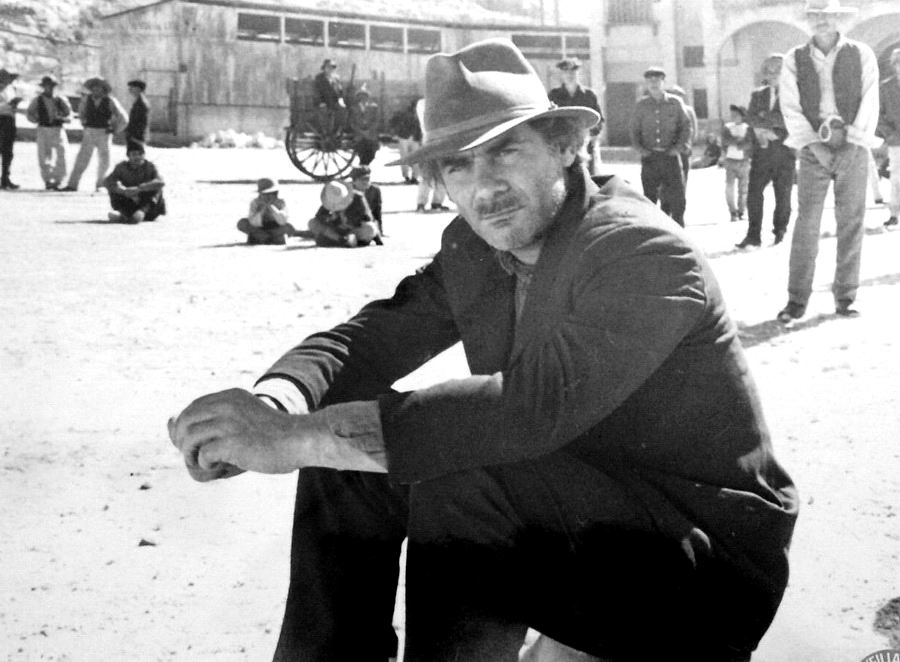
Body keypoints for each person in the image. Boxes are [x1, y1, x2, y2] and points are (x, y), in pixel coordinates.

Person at [169, 37, 797, 662]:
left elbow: (528, 408)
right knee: (349, 462)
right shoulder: (477, 246)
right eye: (458, 166)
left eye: (504, 151)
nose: (483, 187)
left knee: (460, 471)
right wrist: (274, 406)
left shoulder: (640, 248)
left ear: (565, 145)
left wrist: (294, 439)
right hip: (572, 510)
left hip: (700, 564)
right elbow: (379, 333)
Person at [777, 0, 881, 322]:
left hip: (853, 144)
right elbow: (790, 106)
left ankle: (846, 297)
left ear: (838, 18)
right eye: (815, 15)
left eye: (827, 15)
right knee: (807, 223)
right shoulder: (794, 59)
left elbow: (870, 100)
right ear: (807, 19)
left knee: (851, 221)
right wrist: (814, 145)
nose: (821, 21)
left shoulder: (861, 54)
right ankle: (796, 300)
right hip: (813, 147)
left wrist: (853, 142)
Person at [738, 53, 796, 249]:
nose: (772, 74)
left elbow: (791, 120)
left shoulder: (795, 94)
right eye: (769, 70)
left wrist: (766, 120)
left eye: (777, 70)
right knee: (754, 193)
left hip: (785, 152)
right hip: (761, 152)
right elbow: (750, 118)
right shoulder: (758, 95)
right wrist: (770, 122)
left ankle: (780, 231)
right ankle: (753, 235)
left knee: (783, 194)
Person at [630, 66, 692, 226]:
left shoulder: (675, 103)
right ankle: (653, 229)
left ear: (663, 82)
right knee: (649, 197)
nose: (653, 83)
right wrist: (641, 150)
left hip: (670, 157)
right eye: (650, 80)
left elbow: (686, 126)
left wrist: (678, 148)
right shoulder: (641, 105)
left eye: (657, 80)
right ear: (646, 83)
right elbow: (634, 130)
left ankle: (679, 229)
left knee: (677, 197)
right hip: (650, 158)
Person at [63, 77, 127, 192]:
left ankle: (101, 185)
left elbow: (123, 118)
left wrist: (115, 129)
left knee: (104, 159)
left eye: (99, 88)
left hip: (104, 132)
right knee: (82, 158)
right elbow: (81, 113)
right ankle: (73, 184)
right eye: (94, 88)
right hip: (90, 131)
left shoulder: (110, 101)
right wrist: (84, 124)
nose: (96, 90)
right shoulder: (86, 100)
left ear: (103, 89)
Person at [548, 57, 604, 175]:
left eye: (573, 72)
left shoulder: (588, 95)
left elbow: (599, 120)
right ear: (561, 74)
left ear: (578, 73)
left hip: (585, 145)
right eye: (566, 72)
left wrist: (590, 136)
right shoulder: (554, 95)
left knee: (588, 178)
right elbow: (549, 121)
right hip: (562, 146)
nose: (569, 75)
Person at [26, 75, 72, 191]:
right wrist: (36, 119)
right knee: (44, 155)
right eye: (47, 86)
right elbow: (30, 113)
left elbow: (69, 114)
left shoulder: (60, 100)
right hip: (43, 128)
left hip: (57, 129)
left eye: (51, 86)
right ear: (43, 87)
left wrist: (63, 118)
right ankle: (48, 179)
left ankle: (59, 179)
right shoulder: (38, 100)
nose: (49, 88)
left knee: (61, 153)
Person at [103, 140, 166, 223]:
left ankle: (140, 213)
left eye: (140, 154)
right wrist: (123, 191)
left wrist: (139, 189)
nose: (137, 157)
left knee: (156, 188)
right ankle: (123, 214)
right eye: (134, 154)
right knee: (113, 189)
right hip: (130, 201)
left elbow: (160, 182)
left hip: (149, 208)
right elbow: (107, 181)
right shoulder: (121, 167)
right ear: (128, 156)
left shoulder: (150, 167)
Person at [308, 179, 379, 247]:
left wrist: (350, 221)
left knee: (370, 228)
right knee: (312, 222)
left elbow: (368, 218)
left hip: (354, 229)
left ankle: (338, 240)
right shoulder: (328, 200)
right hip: (335, 230)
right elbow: (319, 216)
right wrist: (330, 218)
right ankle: (342, 240)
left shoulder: (358, 198)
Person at [414, 96, 450, 213]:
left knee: (442, 175)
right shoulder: (423, 104)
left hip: (443, 145)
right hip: (429, 145)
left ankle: (437, 202)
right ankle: (421, 203)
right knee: (426, 176)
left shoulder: (444, 105)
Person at [878, 48, 900, 228]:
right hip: (896, 140)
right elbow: (879, 115)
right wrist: (890, 134)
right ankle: (894, 214)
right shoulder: (885, 87)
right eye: (898, 62)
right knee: (896, 178)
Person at [236, 177, 296, 245]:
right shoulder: (255, 202)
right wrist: (262, 211)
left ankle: (273, 237)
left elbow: (283, 221)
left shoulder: (280, 202)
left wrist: (272, 208)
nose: (267, 197)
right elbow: (253, 221)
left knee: (289, 227)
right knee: (242, 223)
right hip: (259, 229)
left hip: (275, 228)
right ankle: (263, 237)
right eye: (264, 194)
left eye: (271, 194)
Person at [721, 104, 754, 224]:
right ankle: (732, 211)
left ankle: (741, 210)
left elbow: (749, 143)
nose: (733, 117)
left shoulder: (747, 128)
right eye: (732, 115)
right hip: (730, 160)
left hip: (744, 161)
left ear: (742, 116)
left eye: (736, 115)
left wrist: (736, 143)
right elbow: (725, 140)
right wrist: (738, 141)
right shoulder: (727, 127)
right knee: (729, 187)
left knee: (743, 188)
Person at [389, 99, 422, 184]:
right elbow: (393, 121)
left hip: (415, 137)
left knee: (417, 157)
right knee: (404, 157)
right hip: (404, 136)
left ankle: (415, 177)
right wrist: (397, 131)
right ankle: (406, 176)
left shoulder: (421, 113)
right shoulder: (403, 113)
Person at [0, 67, 22, 190]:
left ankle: (5, 178)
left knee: (7, 151)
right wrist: (8, 105)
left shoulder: (10, 90)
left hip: (9, 120)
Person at [349, 165, 384, 240]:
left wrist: (380, 230)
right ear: (354, 181)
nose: (366, 182)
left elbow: (377, 211)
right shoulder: (348, 191)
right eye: (362, 179)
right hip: (351, 223)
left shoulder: (375, 190)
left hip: (367, 222)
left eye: (367, 179)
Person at [312, 58, 346, 134]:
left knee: (343, 110)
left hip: (334, 102)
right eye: (328, 67)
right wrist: (320, 102)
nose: (330, 69)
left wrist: (341, 101)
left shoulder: (336, 78)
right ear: (324, 68)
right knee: (323, 111)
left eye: (332, 67)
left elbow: (340, 91)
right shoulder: (319, 78)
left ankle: (337, 131)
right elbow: (316, 91)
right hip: (323, 102)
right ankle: (325, 132)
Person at [349, 86, 380, 166]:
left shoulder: (374, 107)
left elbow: (376, 120)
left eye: (364, 96)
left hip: (371, 134)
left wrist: (369, 130)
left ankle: (365, 166)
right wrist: (360, 131)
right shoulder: (354, 108)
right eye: (360, 96)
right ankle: (363, 166)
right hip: (359, 135)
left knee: (371, 153)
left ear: (367, 97)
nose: (363, 98)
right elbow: (352, 122)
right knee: (361, 151)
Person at [125, 79, 149, 146]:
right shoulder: (137, 101)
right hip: (134, 136)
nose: (129, 89)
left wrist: (135, 136)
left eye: (132, 87)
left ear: (138, 89)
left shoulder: (141, 103)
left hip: (136, 137)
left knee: (136, 152)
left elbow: (141, 122)